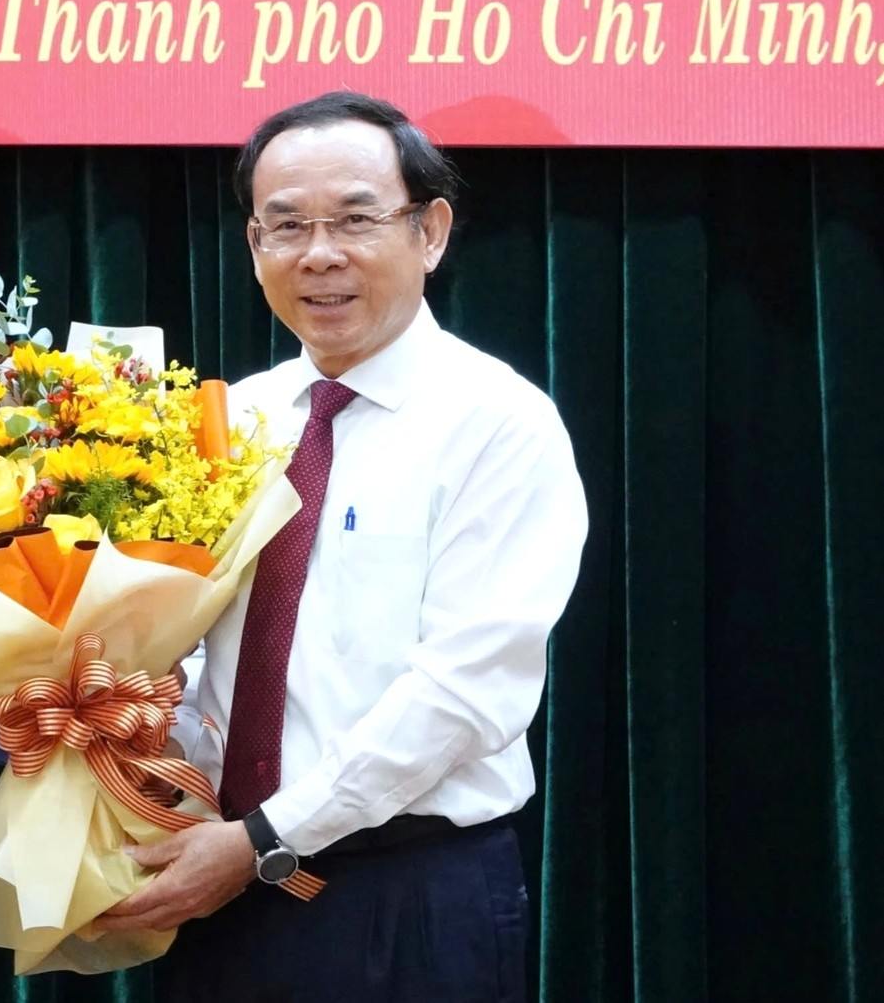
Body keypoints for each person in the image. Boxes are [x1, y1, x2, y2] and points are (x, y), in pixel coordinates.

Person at [94, 91, 589, 1001]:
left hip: (404, 895)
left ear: (429, 231)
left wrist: (262, 840)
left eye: (356, 219)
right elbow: (192, 639)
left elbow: (464, 689)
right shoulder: (234, 419)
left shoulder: (500, 424)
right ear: (253, 245)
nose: (319, 254)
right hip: (220, 888)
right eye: (285, 226)